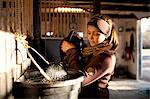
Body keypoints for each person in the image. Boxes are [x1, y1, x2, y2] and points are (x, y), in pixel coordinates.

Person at [60, 14, 119, 99]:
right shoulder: (92, 50)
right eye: (89, 33)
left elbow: (79, 80)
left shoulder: (106, 57)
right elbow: (84, 62)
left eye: (96, 34)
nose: (90, 37)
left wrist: (72, 51)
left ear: (106, 36)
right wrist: (79, 44)